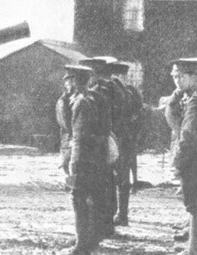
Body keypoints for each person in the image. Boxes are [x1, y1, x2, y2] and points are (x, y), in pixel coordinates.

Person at [163, 57, 197, 255]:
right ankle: (195, 248)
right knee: (196, 203)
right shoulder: (191, 94)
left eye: (181, 76)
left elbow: (187, 137)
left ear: (193, 76)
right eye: (174, 76)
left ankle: (195, 250)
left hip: (194, 158)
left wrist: (177, 163)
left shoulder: (195, 101)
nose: (176, 80)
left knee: (195, 205)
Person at [60, 64, 108, 255]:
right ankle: (93, 241)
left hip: (83, 158)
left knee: (78, 199)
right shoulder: (97, 98)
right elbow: (105, 130)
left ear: (74, 81)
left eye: (69, 80)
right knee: (94, 199)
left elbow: (79, 137)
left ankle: (81, 246)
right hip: (97, 157)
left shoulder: (80, 103)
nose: (67, 84)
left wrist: (73, 163)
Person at [78, 57, 117, 238]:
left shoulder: (100, 93)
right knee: (105, 185)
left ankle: (101, 227)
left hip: (100, 144)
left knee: (101, 187)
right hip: (102, 142)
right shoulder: (104, 90)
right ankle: (104, 225)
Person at [107, 61, 144, 226]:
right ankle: (123, 214)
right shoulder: (132, 91)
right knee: (124, 177)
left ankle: (116, 214)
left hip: (117, 138)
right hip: (130, 138)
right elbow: (140, 112)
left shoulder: (113, 90)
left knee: (114, 177)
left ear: (115, 75)